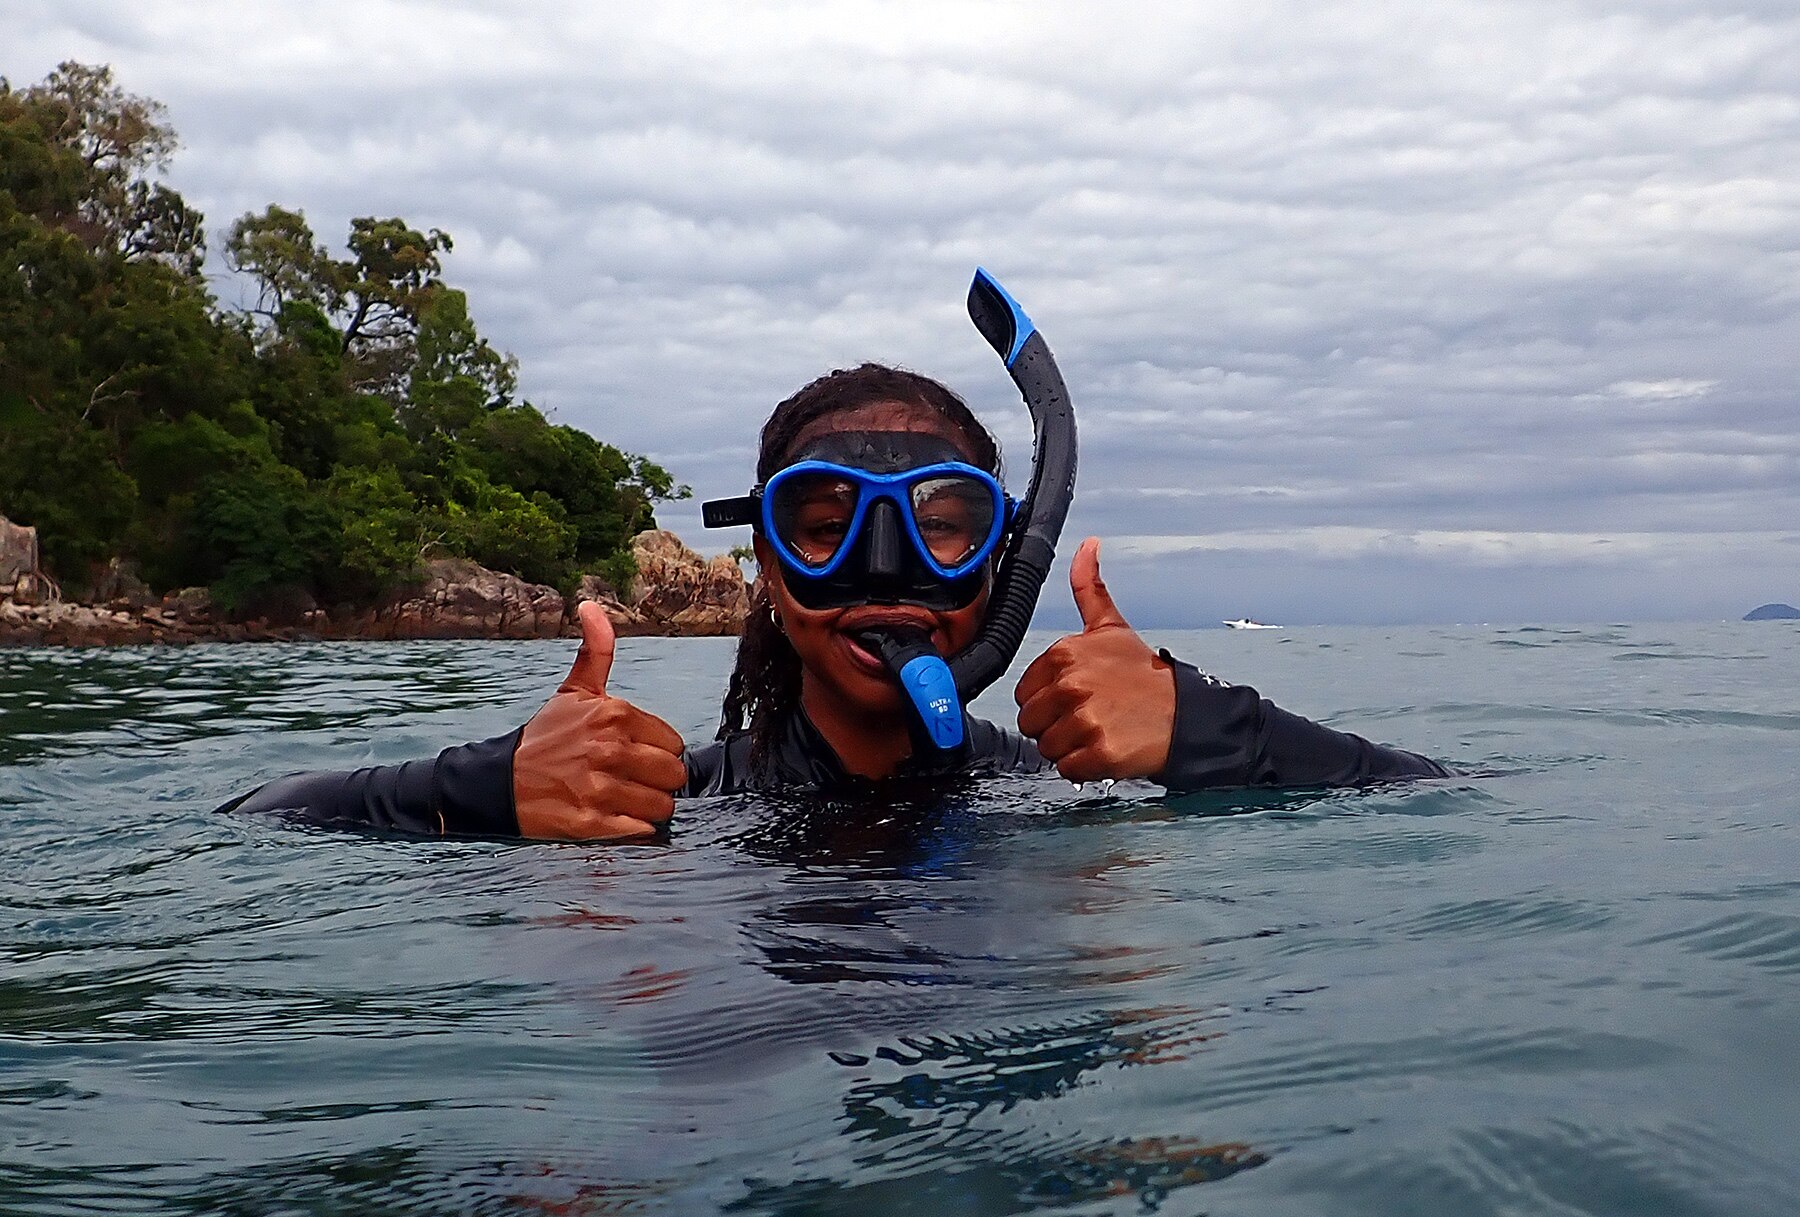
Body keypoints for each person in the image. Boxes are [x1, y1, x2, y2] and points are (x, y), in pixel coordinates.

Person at [225, 362, 1447, 840]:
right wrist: (482, 784)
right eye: (823, 529)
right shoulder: (669, 809)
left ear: (1004, 563)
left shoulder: (1070, 797)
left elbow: (1443, 796)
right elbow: (258, 814)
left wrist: (1210, 727)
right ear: (765, 565)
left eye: (942, 526)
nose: (881, 577)